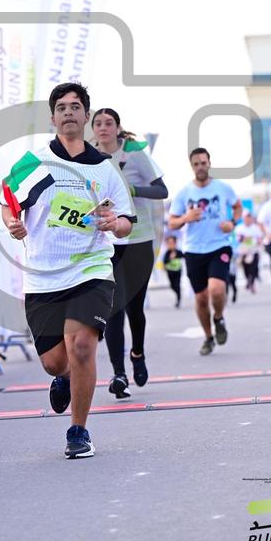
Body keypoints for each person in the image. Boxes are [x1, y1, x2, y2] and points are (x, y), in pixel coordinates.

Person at [1, 83, 134, 459]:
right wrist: (12, 224)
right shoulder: (36, 161)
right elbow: (8, 202)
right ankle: (62, 377)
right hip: (43, 275)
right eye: (61, 107)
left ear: (86, 116)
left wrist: (115, 223)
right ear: (53, 117)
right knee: (55, 362)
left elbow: (127, 221)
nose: (69, 112)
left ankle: (79, 430)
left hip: (91, 270)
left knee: (82, 346)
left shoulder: (104, 168)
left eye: (76, 107)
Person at [92, 108, 168, 398]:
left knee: (135, 308)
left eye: (108, 123)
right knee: (114, 308)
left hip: (139, 240)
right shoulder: (90, 157)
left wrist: (132, 191)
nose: (103, 128)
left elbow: (161, 191)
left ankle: (137, 353)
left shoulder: (134, 155)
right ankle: (118, 373)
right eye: (98, 123)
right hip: (107, 243)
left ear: (117, 127)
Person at [168, 148, 242, 356]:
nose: (200, 167)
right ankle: (209, 337)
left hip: (219, 246)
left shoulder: (223, 188)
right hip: (193, 250)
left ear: (209, 163)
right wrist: (186, 218)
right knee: (201, 298)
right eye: (196, 164)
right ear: (191, 166)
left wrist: (232, 222)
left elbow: (237, 207)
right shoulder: (184, 193)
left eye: (203, 163)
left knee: (217, 290)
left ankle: (218, 317)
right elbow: (172, 222)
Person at [237, 211, 262, 293]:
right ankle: (248, 280)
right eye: (246, 217)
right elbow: (238, 239)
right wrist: (247, 239)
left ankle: (251, 282)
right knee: (245, 268)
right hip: (244, 251)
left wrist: (249, 239)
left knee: (254, 268)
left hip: (254, 251)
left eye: (249, 217)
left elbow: (259, 239)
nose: (248, 219)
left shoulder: (255, 228)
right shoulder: (239, 228)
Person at [163, 235, 184, 308]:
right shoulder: (167, 253)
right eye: (169, 243)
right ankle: (177, 292)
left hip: (178, 271)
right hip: (170, 272)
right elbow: (164, 262)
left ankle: (178, 300)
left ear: (175, 243)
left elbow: (185, 257)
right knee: (172, 286)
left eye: (172, 243)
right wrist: (170, 258)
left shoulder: (178, 252)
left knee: (177, 285)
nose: (170, 244)